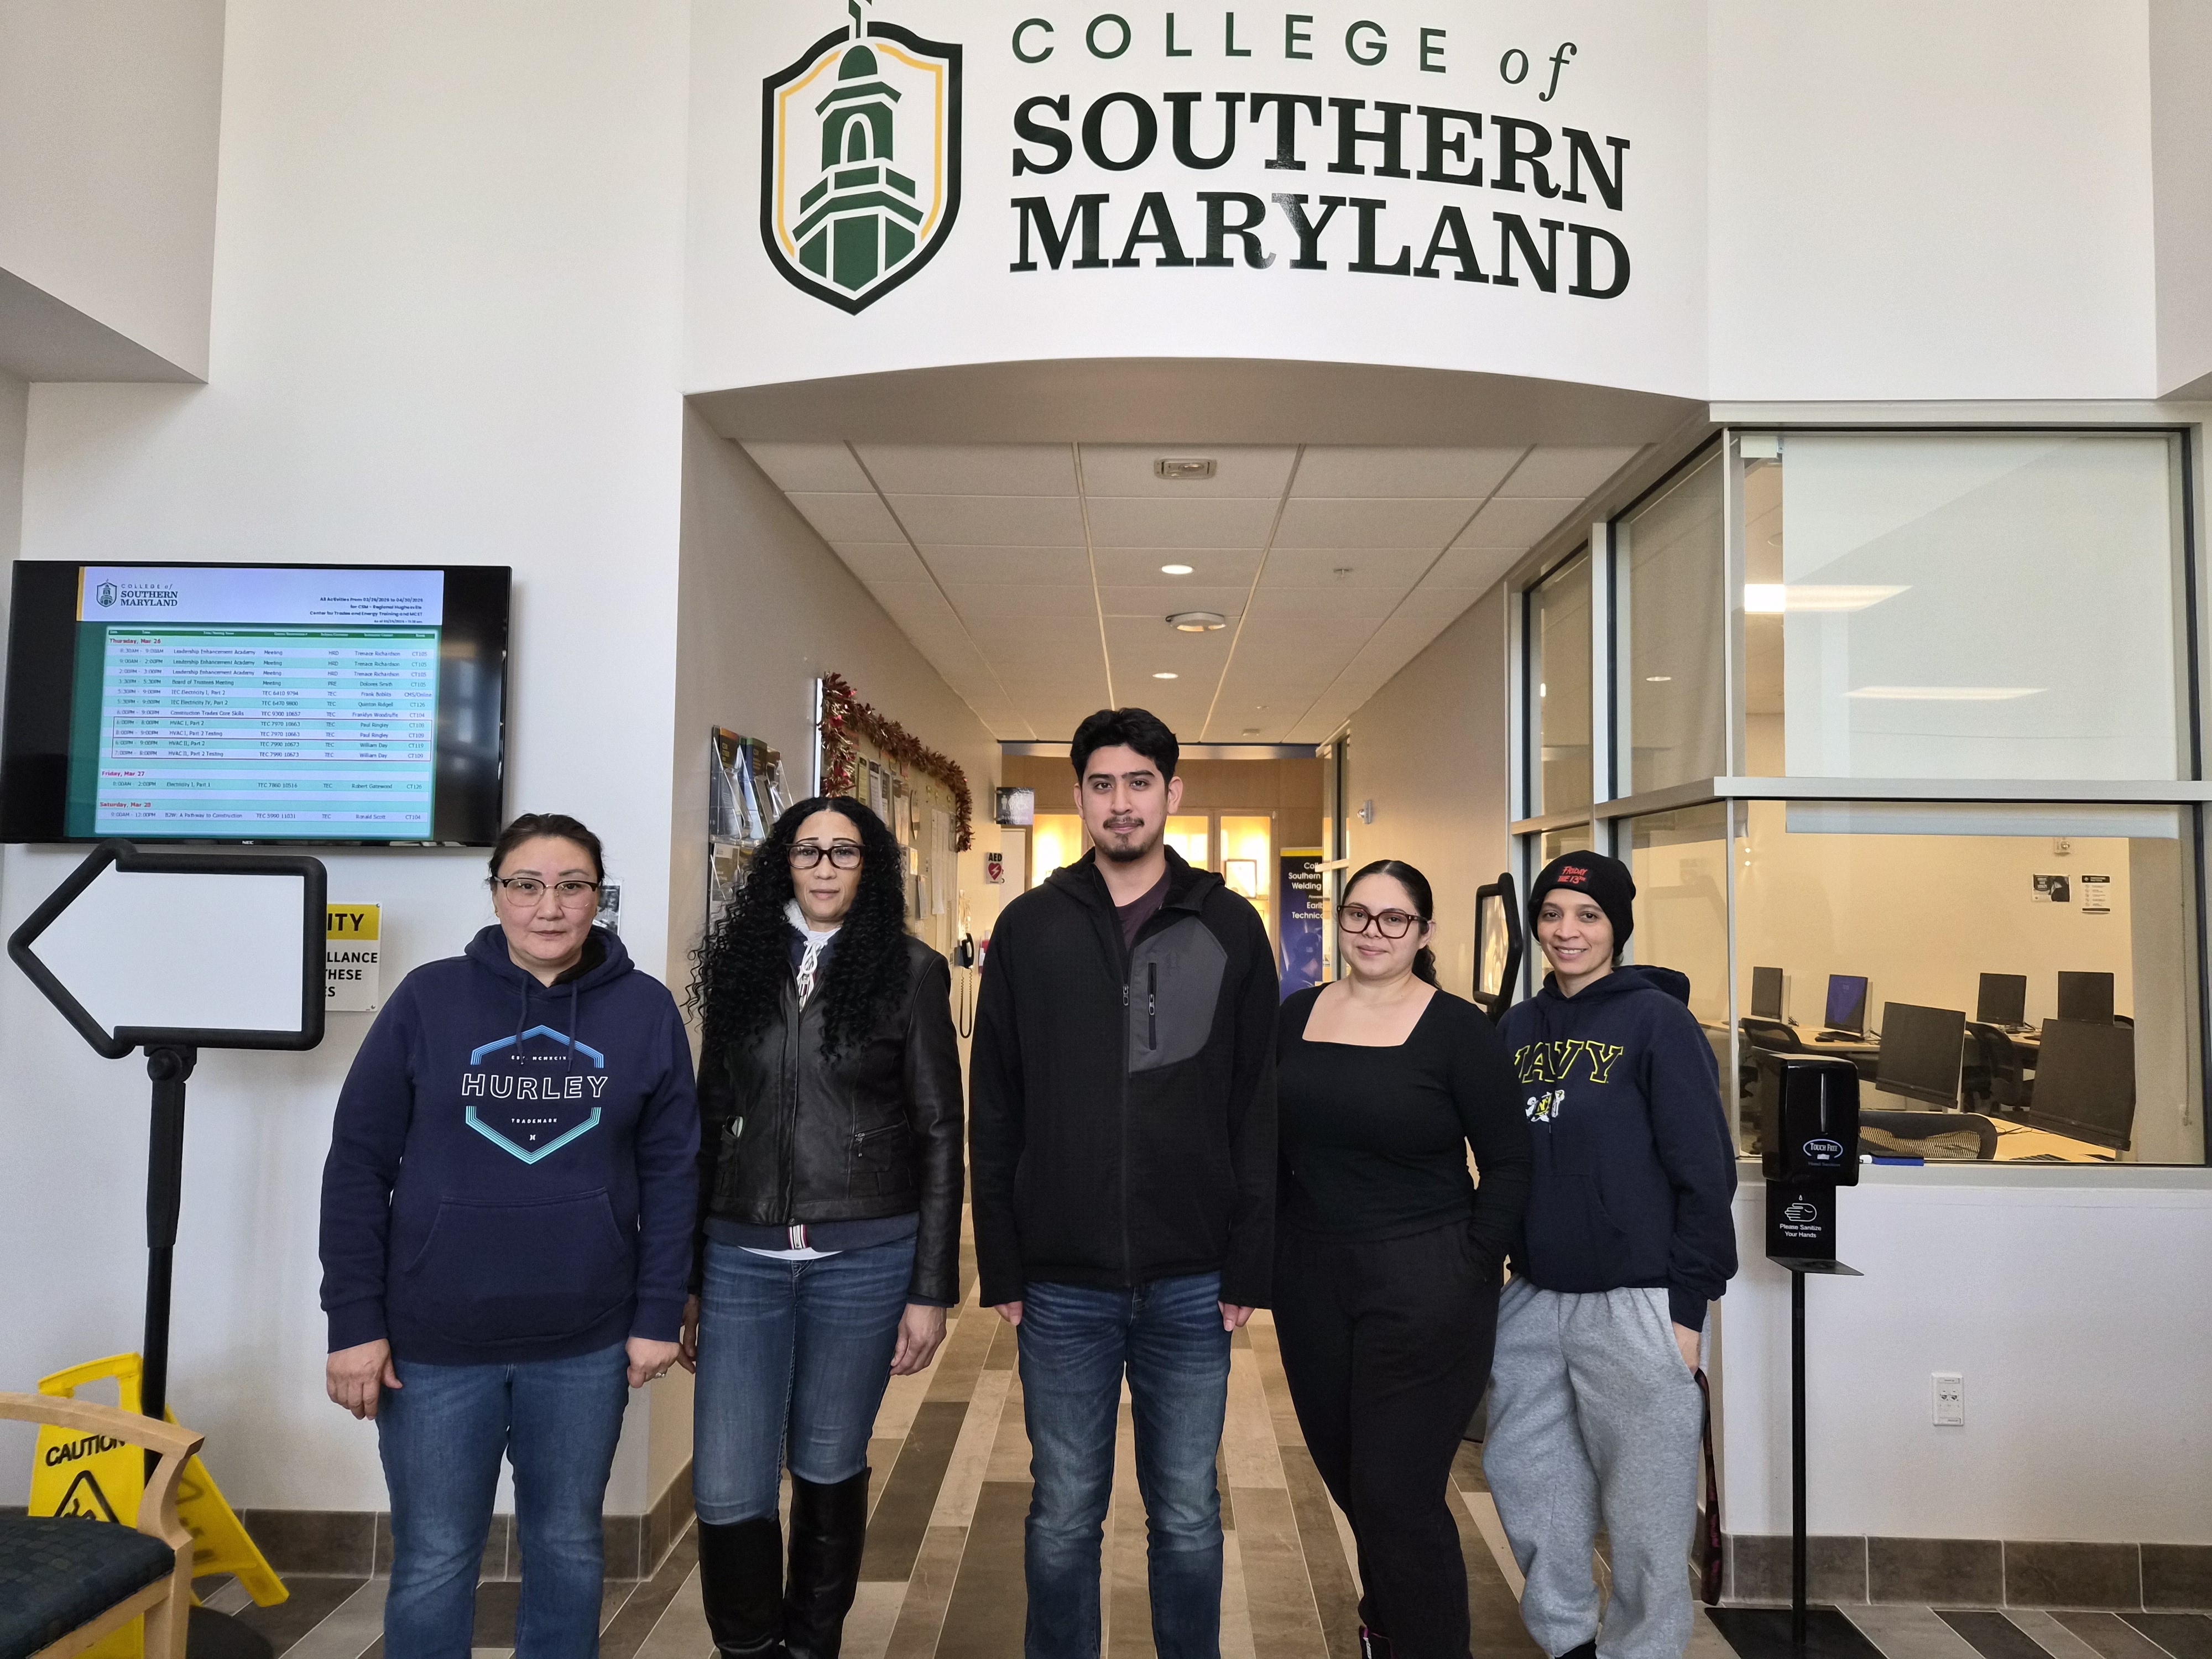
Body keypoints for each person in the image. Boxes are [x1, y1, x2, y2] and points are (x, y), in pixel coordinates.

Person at [320, 812, 698, 1659]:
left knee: (567, 1548)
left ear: (599, 898)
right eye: (525, 885)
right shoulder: (428, 1000)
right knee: (434, 1559)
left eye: (572, 886)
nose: (549, 907)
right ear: (495, 893)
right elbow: (356, 1166)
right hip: (433, 1347)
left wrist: (657, 1313)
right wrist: (353, 1323)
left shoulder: (644, 1010)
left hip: (585, 1343)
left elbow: (675, 1176)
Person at [969, 707, 1279, 1659]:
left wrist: (1248, 1261)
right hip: (1063, 1280)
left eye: (1139, 783)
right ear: (1079, 797)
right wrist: (1004, 1263)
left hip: (1193, 1276)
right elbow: (996, 1104)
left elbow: (1258, 1104)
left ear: (1171, 793)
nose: (1121, 803)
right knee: (1064, 1514)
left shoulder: (1228, 926)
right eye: (1102, 785)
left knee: (1186, 1514)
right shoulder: (1030, 927)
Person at [680, 796, 963, 1659]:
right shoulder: (743, 966)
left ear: (869, 867)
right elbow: (708, 1122)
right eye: (809, 851)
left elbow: (940, 1132)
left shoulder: (910, 971)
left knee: (830, 1461)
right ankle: (748, 1649)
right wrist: (686, 1280)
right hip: (741, 1258)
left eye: (845, 852)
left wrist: (931, 1289)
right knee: (728, 1483)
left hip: (864, 1257)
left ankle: (811, 1646)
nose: (826, 867)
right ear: (784, 863)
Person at [1274, 859, 1531, 1659]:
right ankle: (1386, 1628)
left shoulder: (1459, 1029)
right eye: (1358, 914)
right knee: (1351, 1479)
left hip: (1427, 1284)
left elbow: (1510, 1161)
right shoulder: (1298, 1015)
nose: (1373, 932)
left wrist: (1473, 1262)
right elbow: (1267, 1146)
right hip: (1312, 1281)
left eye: (1395, 919)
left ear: (1424, 932)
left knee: (1398, 1496)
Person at [1484, 851, 1738, 1659]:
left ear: (1617, 928)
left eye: (1588, 916)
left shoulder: (1658, 1023)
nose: (1567, 931)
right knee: (1527, 1479)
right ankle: (1567, 1642)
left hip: (1638, 1303)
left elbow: (1707, 1174)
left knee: (1647, 1518)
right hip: (1534, 1298)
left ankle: (1644, 1651)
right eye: (1553, 914)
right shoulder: (1515, 1029)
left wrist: (1686, 1312)